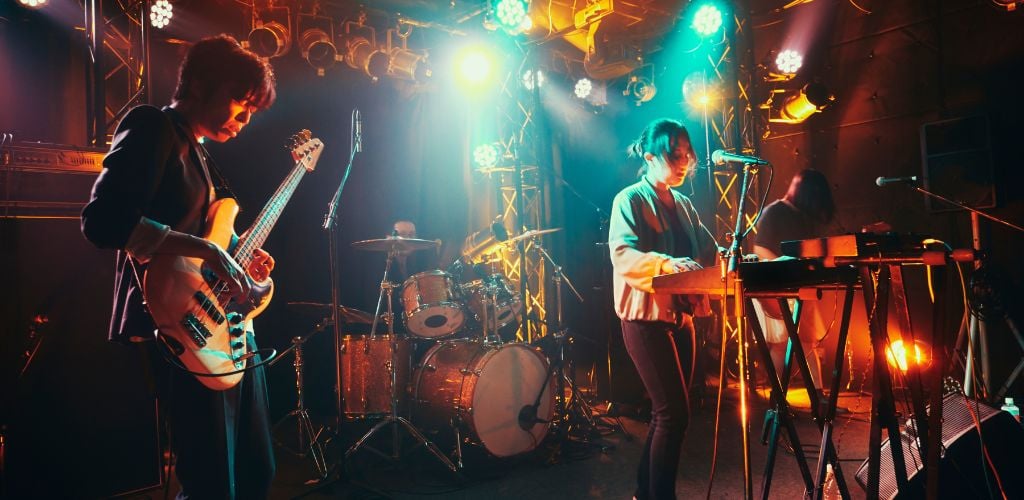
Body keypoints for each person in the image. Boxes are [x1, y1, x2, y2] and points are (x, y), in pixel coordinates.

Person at [81, 35, 277, 499]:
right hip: (176, 322)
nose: (246, 117)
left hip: (224, 327)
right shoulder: (153, 126)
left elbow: (212, 249)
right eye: (239, 100)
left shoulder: (203, 156)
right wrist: (208, 252)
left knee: (256, 469)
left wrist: (250, 270)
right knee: (212, 479)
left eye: (253, 108)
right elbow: (103, 220)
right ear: (200, 83)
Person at [608, 118, 717, 500]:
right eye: (675, 155)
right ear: (650, 156)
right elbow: (623, 254)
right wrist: (666, 263)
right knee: (674, 415)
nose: (685, 161)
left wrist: (737, 257)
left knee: (664, 414)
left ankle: (644, 491)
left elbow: (707, 250)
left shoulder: (684, 205)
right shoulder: (630, 199)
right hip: (643, 318)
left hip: (679, 318)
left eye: (687, 154)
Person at [751, 168, 837, 404]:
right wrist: (783, 272)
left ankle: (816, 395)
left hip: (798, 288)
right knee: (780, 344)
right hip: (778, 288)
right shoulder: (775, 212)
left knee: (806, 341)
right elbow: (760, 250)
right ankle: (779, 398)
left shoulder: (800, 215)